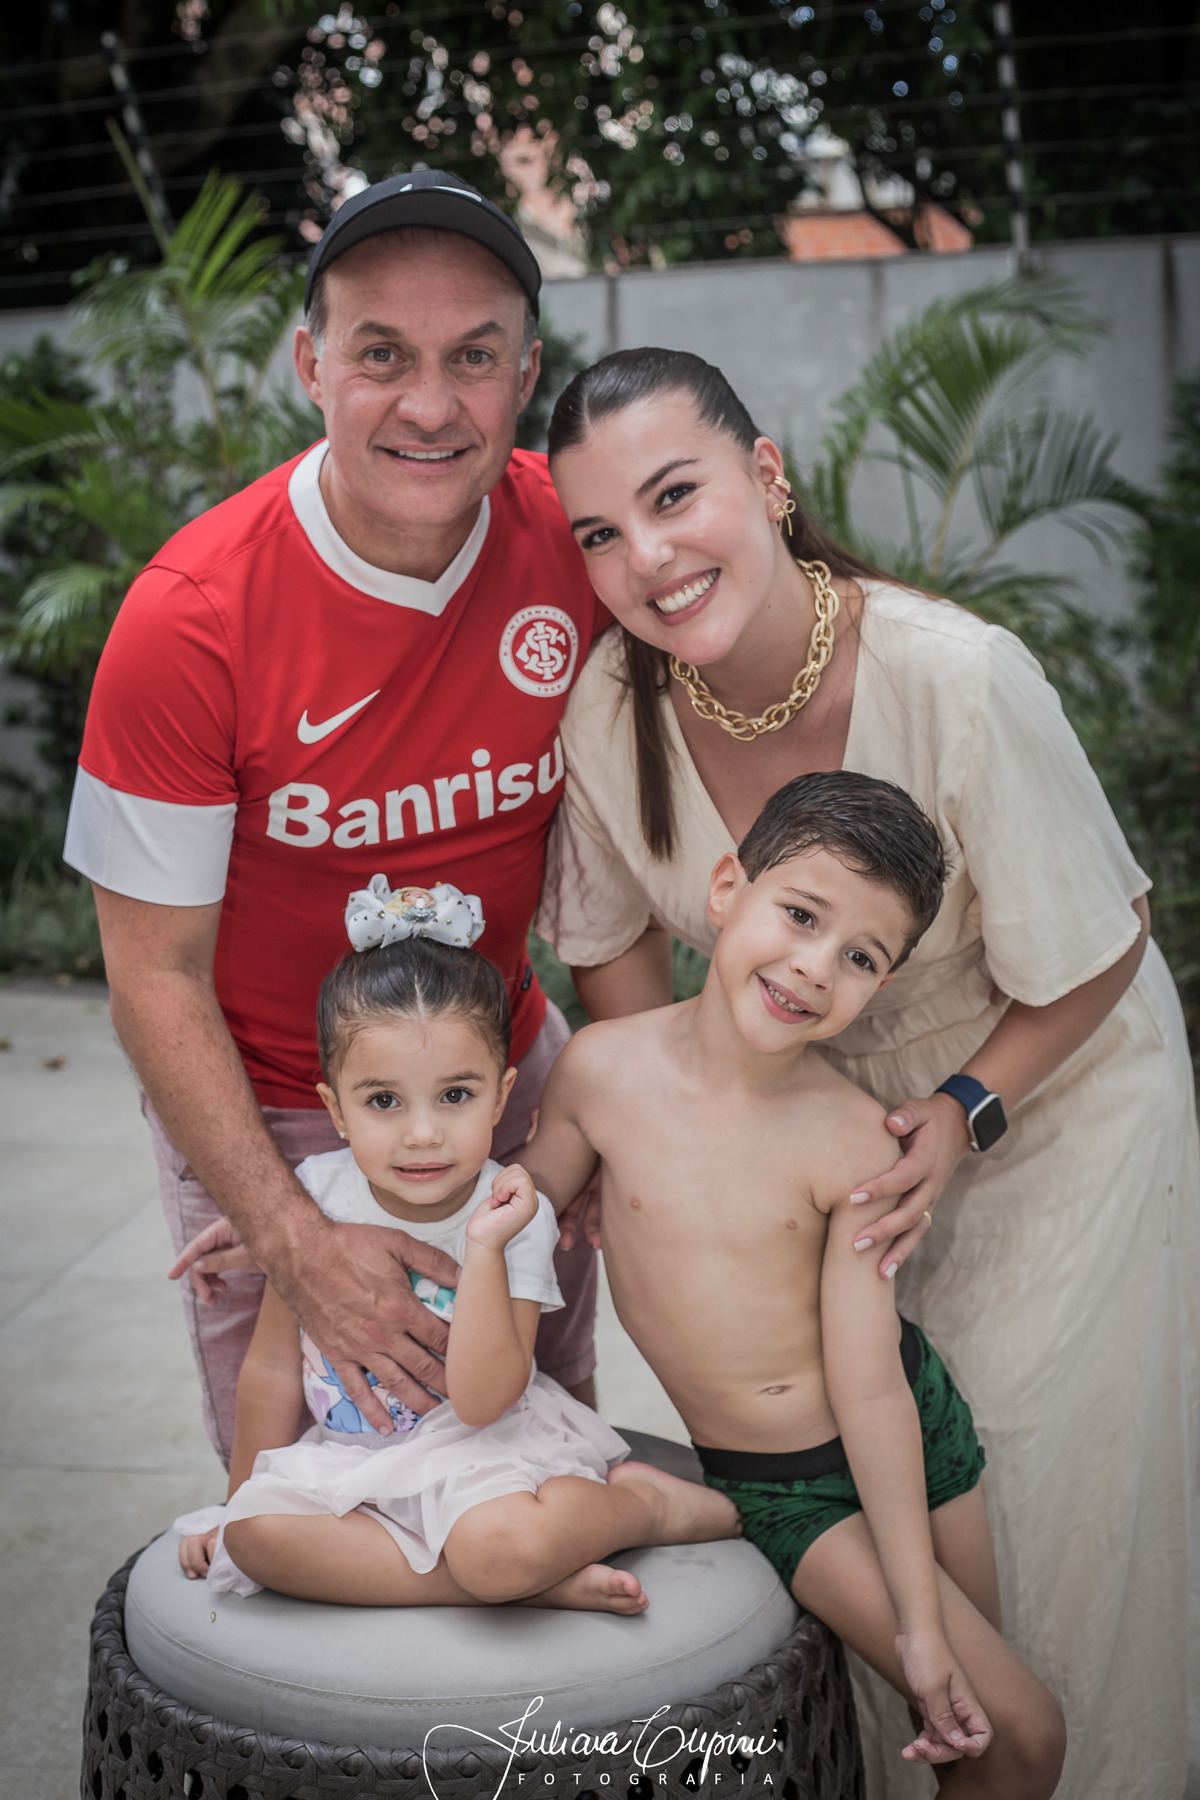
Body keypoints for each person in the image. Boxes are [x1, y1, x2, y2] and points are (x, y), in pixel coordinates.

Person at [537, 348, 1200, 1800]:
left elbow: (1104, 940)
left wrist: (960, 1118)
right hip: (808, 1128)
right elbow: (612, 948)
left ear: (767, 477)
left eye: (675, 496)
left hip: (1045, 1097)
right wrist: (676, 1133)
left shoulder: (958, 677)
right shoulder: (605, 712)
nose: (647, 558)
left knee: (1036, 1508)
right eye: (599, 533)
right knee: (850, 1492)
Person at [63, 172, 608, 1465]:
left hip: (507, 1082)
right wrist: (291, 1234)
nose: (430, 403)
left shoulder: (576, 544)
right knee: (313, 1489)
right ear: (311, 366)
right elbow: (151, 976)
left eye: (474, 356)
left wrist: (603, 1125)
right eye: (382, 354)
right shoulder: (190, 617)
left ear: (526, 373)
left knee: (544, 1449)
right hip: (276, 1112)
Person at [520, 772, 1064, 1789]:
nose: (815, 967)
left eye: (860, 957)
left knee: (980, 1736)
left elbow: (871, 1386)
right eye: (802, 915)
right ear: (728, 888)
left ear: (882, 984)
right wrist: (342, 1222)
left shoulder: (853, 1140)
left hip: (907, 1422)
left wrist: (918, 1622)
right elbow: (516, 1208)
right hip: (779, 1483)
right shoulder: (599, 1071)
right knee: (1025, 1734)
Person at [174, 880, 738, 1610]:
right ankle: (511, 1588)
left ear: (501, 1096)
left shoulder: (511, 1211)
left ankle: (639, 1508)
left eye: (455, 1095)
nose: (422, 1133)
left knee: (499, 1544)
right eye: (383, 1100)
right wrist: (234, 1504)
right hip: (350, 1461)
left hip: (483, 1460)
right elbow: (274, 1368)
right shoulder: (312, 1197)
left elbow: (481, 1402)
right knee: (255, 1538)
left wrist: (485, 1251)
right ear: (335, 1109)